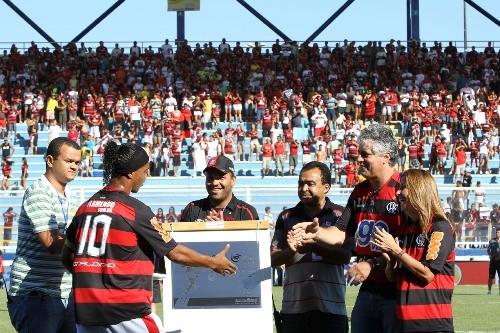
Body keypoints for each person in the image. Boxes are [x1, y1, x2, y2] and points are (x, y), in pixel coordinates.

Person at [61, 141, 237, 332]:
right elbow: (175, 252)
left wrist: (95, 282)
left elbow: (68, 257)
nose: (146, 176)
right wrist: (213, 263)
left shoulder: (84, 208)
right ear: (131, 173)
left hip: (87, 313)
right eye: (145, 170)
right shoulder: (135, 210)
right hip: (126, 312)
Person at [290, 123, 403, 333]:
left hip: (398, 288)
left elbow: (409, 242)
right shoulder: (360, 191)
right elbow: (342, 233)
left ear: (386, 157)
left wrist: (372, 264)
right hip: (368, 287)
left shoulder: (404, 189)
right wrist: (317, 233)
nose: (358, 159)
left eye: (364, 154)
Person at [8, 137, 81, 333]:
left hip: (65, 291)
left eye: (77, 162)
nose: (74, 166)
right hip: (36, 293)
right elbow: (51, 243)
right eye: (68, 161)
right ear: (50, 160)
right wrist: (87, 236)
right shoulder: (38, 191)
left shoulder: (72, 196)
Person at [271, 161, 354, 333]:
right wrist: (290, 251)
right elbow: (272, 257)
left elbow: (345, 256)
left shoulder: (341, 215)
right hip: (293, 309)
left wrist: (313, 246)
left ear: (326, 187)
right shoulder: (286, 217)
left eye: (310, 184)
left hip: (331, 308)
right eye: (301, 183)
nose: (304, 188)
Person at [371, 169, 455, 332]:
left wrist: (397, 251)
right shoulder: (405, 228)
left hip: (433, 325)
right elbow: (393, 278)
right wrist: (391, 262)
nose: (398, 193)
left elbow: (427, 274)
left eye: (403, 187)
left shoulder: (440, 227)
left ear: (419, 189)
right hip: (404, 323)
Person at [180, 155, 258, 222]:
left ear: (233, 180)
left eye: (221, 178)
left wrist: (223, 230)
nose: (214, 183)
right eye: (210, 178)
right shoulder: (192, 209)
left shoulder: (246, 212)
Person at [487, 228, 500, 295]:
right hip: (493, 261)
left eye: (499, 232)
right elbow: (488, 249)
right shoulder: (492, 241)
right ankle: (489, 291)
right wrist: (489, 255)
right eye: (497, 232)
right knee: (491, 276)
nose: (498, 234)